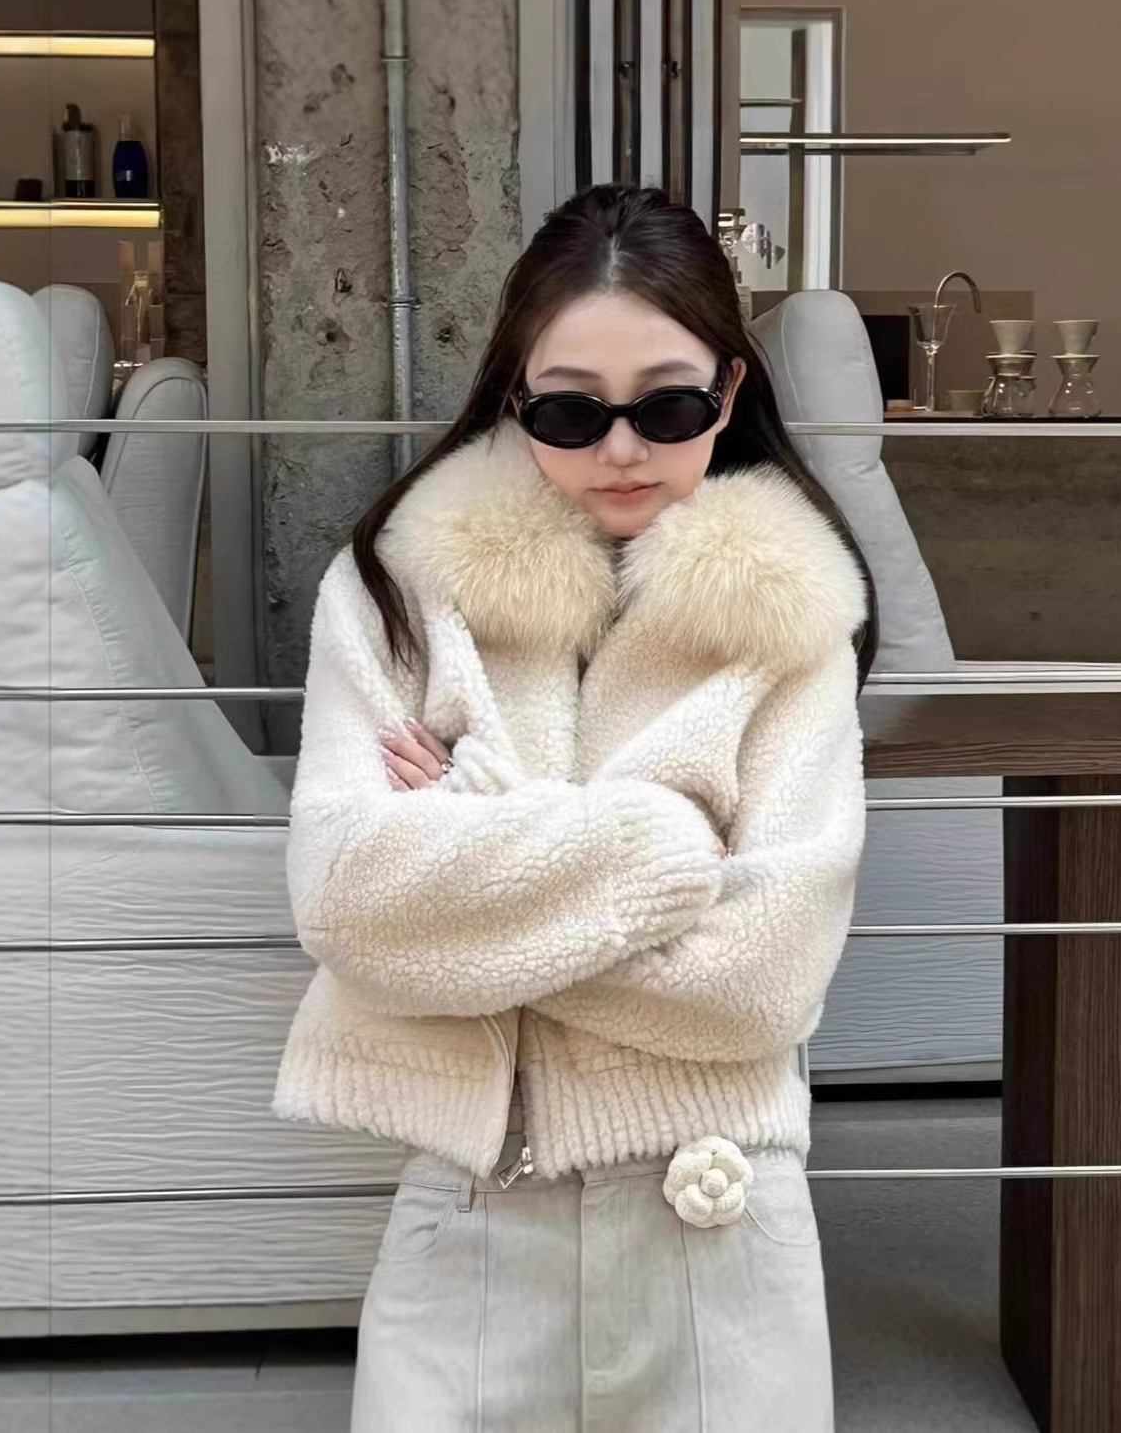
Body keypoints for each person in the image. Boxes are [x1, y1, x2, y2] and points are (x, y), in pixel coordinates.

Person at [273, 182, 875, 1432]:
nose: (622, 449)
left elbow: (765, 981)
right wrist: (666, 845)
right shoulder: (396, 592)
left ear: (730, 388)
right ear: (513, 394)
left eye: (667, 405)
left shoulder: (793, 618)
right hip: (470, 1206)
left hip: (716, 1218)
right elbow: (346, 905)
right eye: (569, 409)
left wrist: (474, 825)